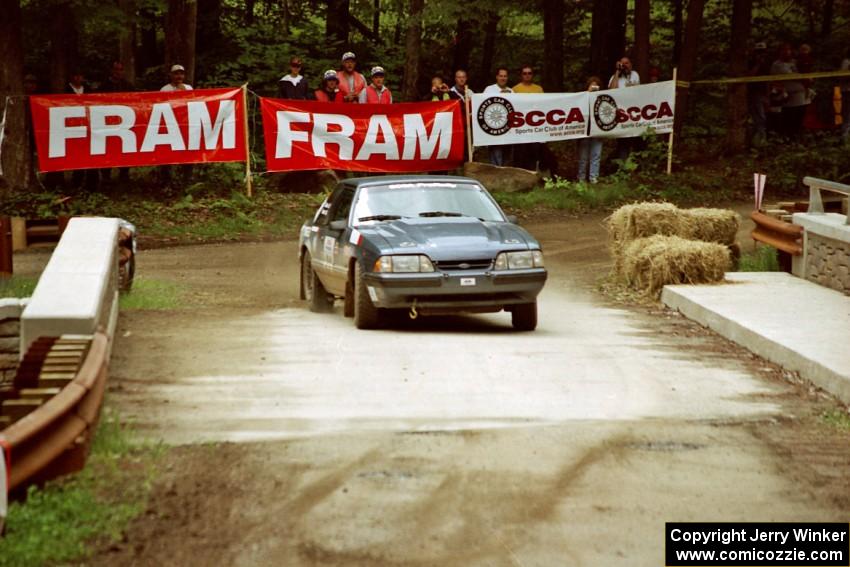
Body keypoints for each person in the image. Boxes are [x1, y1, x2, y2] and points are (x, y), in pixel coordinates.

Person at [98, 62, 133, 185]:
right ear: (111, 70)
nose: (118, 72)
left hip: (124, 125)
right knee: (107, 149)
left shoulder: (128, 86)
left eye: (121, 69)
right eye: (116, 69)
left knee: (124, 149)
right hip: (107, 124)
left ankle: (124, 174)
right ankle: (106, 175)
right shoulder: (103, 86)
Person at [160, 64, 193, 187]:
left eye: (181, 73)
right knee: (166, 154)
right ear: (171, 75)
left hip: (185, 125)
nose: (179, 76)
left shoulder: (189, 88)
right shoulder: (164, 89)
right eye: (176, 73)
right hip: (169, 126)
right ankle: (166, 181)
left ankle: (186, 180)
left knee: (187, 153)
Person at [771, 44, 806, 141]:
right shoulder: (776, 65)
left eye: (788, 50)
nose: (786, 52)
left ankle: (798, 139)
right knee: (789, 118)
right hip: (787, 95)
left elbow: (805, 72)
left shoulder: (796, 63)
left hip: (800, 94)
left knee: (799, 118)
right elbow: (774, 80)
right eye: (784, 50)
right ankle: (788, 139)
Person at [608, 57, 640, 163]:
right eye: (622, 64)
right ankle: (623, 168)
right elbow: (611, 91)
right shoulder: (615, 77)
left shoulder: (635, 75)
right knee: (623, 141)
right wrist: (618, 72)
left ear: (631, 64)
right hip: (622, 115)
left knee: (637, 141)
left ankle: (635, 165)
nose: (625, 65)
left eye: (627, 63)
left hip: (635, 113)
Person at [484, 68, 514, 166]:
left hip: (508, 131)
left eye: (505, 76)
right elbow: (482, 106)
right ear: (497, 77)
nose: (503, 78)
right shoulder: (489, 89)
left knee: (507, 159)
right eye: (501, 76)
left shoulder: (511, 91)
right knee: (496, 158)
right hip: (494, 131)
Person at [577, 77, 604, 183]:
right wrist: (588, 93)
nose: (594, 88)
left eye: (596, 86)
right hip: (585, 130)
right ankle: (581, 178)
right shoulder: (581, 98)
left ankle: (593, 178)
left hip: (598, 129)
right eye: (591, 85)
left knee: (596, 155)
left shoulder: (603, 98)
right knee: (583, 157)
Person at [748, 42, 771, 146]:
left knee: (761, 118)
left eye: (763, 52)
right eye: (759, 52)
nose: (761, 54)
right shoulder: (750, 62)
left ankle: (752, 140)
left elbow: (767, 80)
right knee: (760, 118)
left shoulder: (766, 63)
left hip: (763, 93)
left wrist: (768, 96)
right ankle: (760, 141)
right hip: (753, 93)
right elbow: (749, 77)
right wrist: (757, 64)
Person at [841, 49, 850, 143]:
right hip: (847, 91)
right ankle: (844, 136)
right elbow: (843, 76)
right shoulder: (846, 62)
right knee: (847, 114)